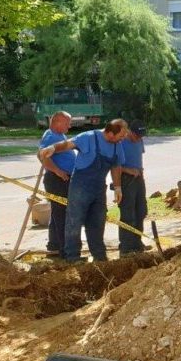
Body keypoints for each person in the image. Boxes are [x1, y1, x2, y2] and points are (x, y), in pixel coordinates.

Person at [39, 119, 128, 263]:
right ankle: (73, 256)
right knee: (74, 221)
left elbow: (116, 166)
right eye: (121, 135)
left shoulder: (117, 146)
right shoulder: (88, 137)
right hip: (80, 187)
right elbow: (68, 144)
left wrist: (118, 187)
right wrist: (53, 148)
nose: (123, 138)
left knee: (97, 222)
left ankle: (99, 256)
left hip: (99, 189)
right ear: (111, 133)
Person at [38, 111, 75, 257]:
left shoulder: (59, 135)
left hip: (63, 179)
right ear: (57, 122)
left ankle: (54, 245)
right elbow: (43, 155)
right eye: (67, 123)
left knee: (57, 213)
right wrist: (57, 171)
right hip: (57, 180)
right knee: (62, 215)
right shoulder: (50, 136)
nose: (69, 126)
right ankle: (66, 250)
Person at [118, 120, 148, 256]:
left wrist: (140, 171)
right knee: (128, 214)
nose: (139, 138)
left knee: (141, 211)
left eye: (141, 136)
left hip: (139, 178)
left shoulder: (139, 140)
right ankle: (126, 247)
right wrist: (128, 171)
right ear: (130, 131)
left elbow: (139, 157)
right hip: (126, 179)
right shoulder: (120, 142)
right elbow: (114, 166)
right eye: (137, 135)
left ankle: (137, 243)